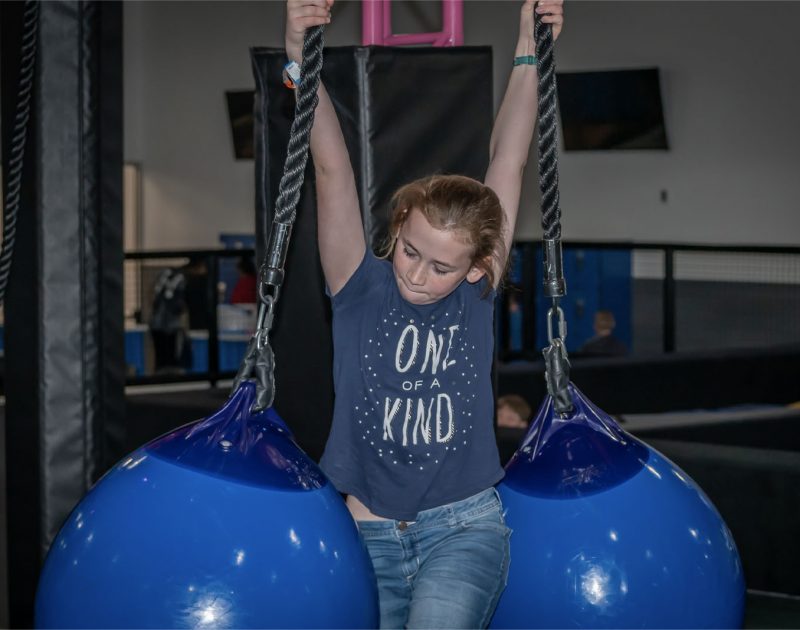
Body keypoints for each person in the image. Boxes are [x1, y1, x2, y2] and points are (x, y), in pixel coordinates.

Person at [285, 0, 563, 626]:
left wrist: (528, 46)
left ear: (474, 267)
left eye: (440, 267)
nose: (415, 272)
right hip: (364, 533)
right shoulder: (360, 286)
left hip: (462, 528)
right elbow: (332, 170)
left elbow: (509, 161)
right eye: (410, 251)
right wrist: (302, 52)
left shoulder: (475, 292)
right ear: (399, 230)